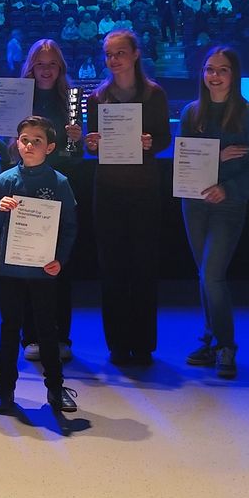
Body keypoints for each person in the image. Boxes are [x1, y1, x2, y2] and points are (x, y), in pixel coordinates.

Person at [176, 46, 249, 382]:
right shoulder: (191, 113)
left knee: (212, 275)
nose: (214, 76)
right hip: (194, 203)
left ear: (234, 75)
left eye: (222, 70)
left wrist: (227, 188)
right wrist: (218, 155)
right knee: (205, 275)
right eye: (209, 69)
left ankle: (226, 344)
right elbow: (184, 160)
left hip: (228, 205)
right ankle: (210, 338)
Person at [84, 28, 173, 367]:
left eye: (120, 52)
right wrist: (91, 144)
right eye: (109, 54)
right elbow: (93, 146)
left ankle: (144, 344)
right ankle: (118, 344)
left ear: (136, 54)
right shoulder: (97, 98)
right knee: (112, 268)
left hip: (144, 189)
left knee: (144, 266)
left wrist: (152, 143)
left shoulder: (155, 94)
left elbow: (165, 138)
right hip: (108, 190)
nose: (114, 60)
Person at [0, 116, 80, 427]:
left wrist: (60, 259)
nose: (29, 145)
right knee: (9, 328)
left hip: (43, 269)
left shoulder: (59, 182)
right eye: (24, 139)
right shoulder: (5, 180)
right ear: (16, 143)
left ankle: (56, 388)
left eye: (37, 141)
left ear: (50, 147)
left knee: (47, 330)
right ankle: (5, 389)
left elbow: (70, 227)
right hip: (11, 269)